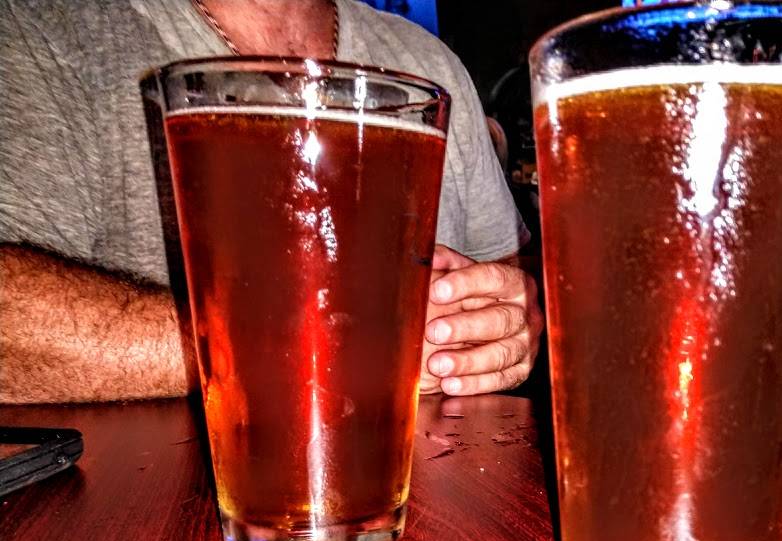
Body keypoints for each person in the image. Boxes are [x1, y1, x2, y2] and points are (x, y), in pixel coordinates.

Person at [0, 0, 543, 404]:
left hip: (439, 503)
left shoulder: (433, 65)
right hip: (159, 513)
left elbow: (513, 281)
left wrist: (513, 325)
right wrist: (321, 346)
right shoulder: (43, 29)